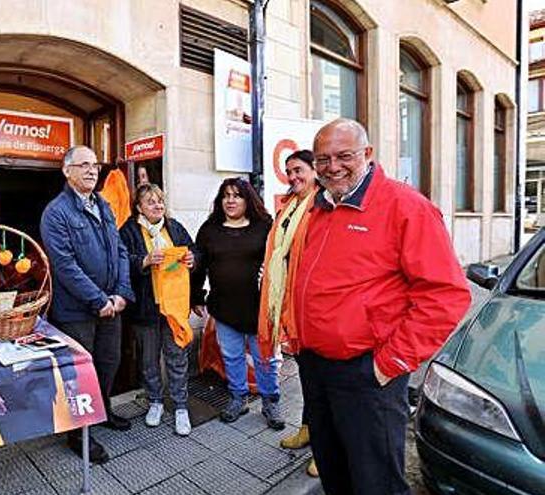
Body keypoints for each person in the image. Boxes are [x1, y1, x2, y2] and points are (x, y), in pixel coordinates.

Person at [296, 118, 471, 494]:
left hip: (368, 374)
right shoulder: (317, 208)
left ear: (368, 154)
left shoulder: (406, 206)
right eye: (323, 159)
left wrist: (389, 363)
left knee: (376, 483)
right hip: (315, 367)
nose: (332, 167)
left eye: (344, 156)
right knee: (334, 471)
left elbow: (446, 295)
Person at [40, 145, 135, 464]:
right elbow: (63, 264)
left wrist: (121, 292)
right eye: (84, 165)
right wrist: (98, 300)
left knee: (108, 362)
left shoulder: (104, 205)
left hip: (112, 305)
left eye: (95, 165)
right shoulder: (56, 212)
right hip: (78, 311)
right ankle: (78, 433)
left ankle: (103, 410)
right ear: (67, 171)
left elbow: (120, 250)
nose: (93, 170)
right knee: (79, 374)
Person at [191, 178, 283, 429]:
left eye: (237, 195)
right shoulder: (209, 229)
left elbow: (280, 260)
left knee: (265, 359)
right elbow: (199, 263)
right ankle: (238, 398)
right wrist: (196, 296)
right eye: (226, 195)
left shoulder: (265, 226)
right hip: (224, 307)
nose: (231, 200)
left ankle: (270, 401)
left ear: (248, 199)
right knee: (231, 357)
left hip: (258, 309)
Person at [256, 150, 319, 476]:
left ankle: (327, 452)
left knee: (325, 386)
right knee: (309, 378)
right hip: (289, 303)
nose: (293, 177)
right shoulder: (290, 207)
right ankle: (308, 430)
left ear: (314, 170)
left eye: (299, 170)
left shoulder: (321, 205)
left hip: (312, 307)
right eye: (289, 172)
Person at [119, 184, 197, 436]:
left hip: (174, 307)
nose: (157, 206)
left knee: (177, 357)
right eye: (150, 202)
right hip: (145, 309)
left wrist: (192, 259)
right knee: (149, 360)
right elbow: (120, 262)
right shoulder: (129, 230)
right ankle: (155, 401)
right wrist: (143, 260)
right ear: (139, 207)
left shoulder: (174, 227)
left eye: (160, 201)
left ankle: (181, 406)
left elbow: (194, 251)